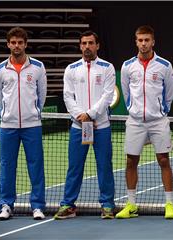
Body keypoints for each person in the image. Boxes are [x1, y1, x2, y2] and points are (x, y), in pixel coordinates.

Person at [54, 30, 116, 220]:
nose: (87, 46)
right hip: (78, 127)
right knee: (74, 167)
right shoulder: (71, 69)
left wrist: (90, 114)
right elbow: (67, 96)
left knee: (104, 166)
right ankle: (68, 205)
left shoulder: (107, 68)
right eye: (84, 43)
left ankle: (107, 205)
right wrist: (81, 117)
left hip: (101, 127)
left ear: (97, 45)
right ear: (80, 46)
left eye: (90, 43)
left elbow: (108, 96)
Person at [117, 25, 173, 219]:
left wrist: (159, 111)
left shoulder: (165, 66)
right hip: (135, 121)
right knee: (131, 161)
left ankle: (169, 204)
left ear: (153, 41)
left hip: (158, 121)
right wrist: (133, 109)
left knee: (164, 160)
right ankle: (131, 204)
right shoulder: (127, 66)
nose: (143, 44)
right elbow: (126, 92)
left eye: (147, 40)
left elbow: (169, 94)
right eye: (140, 40)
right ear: (136, 42)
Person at [0, 27, 47, 220]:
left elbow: (42, 95)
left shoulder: (38, 67)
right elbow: (0, 98)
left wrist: (35, 112)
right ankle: (6, 205)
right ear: (8, 44)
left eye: (20, 42)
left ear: (25, 44)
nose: (16, 46)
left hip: (32, 125)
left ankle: (38, 206)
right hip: (8, 126)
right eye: (13, 42)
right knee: (7, 166)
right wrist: (7, 114)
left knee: (36, 166)